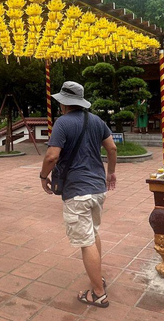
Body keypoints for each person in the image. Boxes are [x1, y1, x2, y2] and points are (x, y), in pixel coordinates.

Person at [40, 81, 117, 308]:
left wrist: (43, 176)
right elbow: (112, 148)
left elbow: (52, 156)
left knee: (85, 241)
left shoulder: (62, 123)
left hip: (77, 190)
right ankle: (97, 276)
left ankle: (98, 293)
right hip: (97, 188)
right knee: (93, 233)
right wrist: (110, 173)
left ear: (64, 103)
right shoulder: (96, 120)